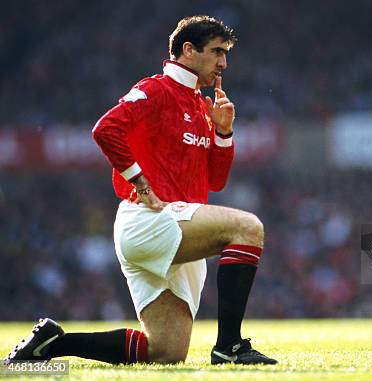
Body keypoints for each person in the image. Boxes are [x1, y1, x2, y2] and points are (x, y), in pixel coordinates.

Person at [5, 15, 276, 366]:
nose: (224, 63)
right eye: (217, 52)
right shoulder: (157, 88)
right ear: (188, 51)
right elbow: (105, 129)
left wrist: (224, 133)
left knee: (165, 351)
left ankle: (51, 344)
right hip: (149, 221)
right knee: (247, 227)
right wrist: (141, 182)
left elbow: (215, 182)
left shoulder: (200, 105)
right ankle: (231, 345)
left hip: (178, 227)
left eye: (225, 54)